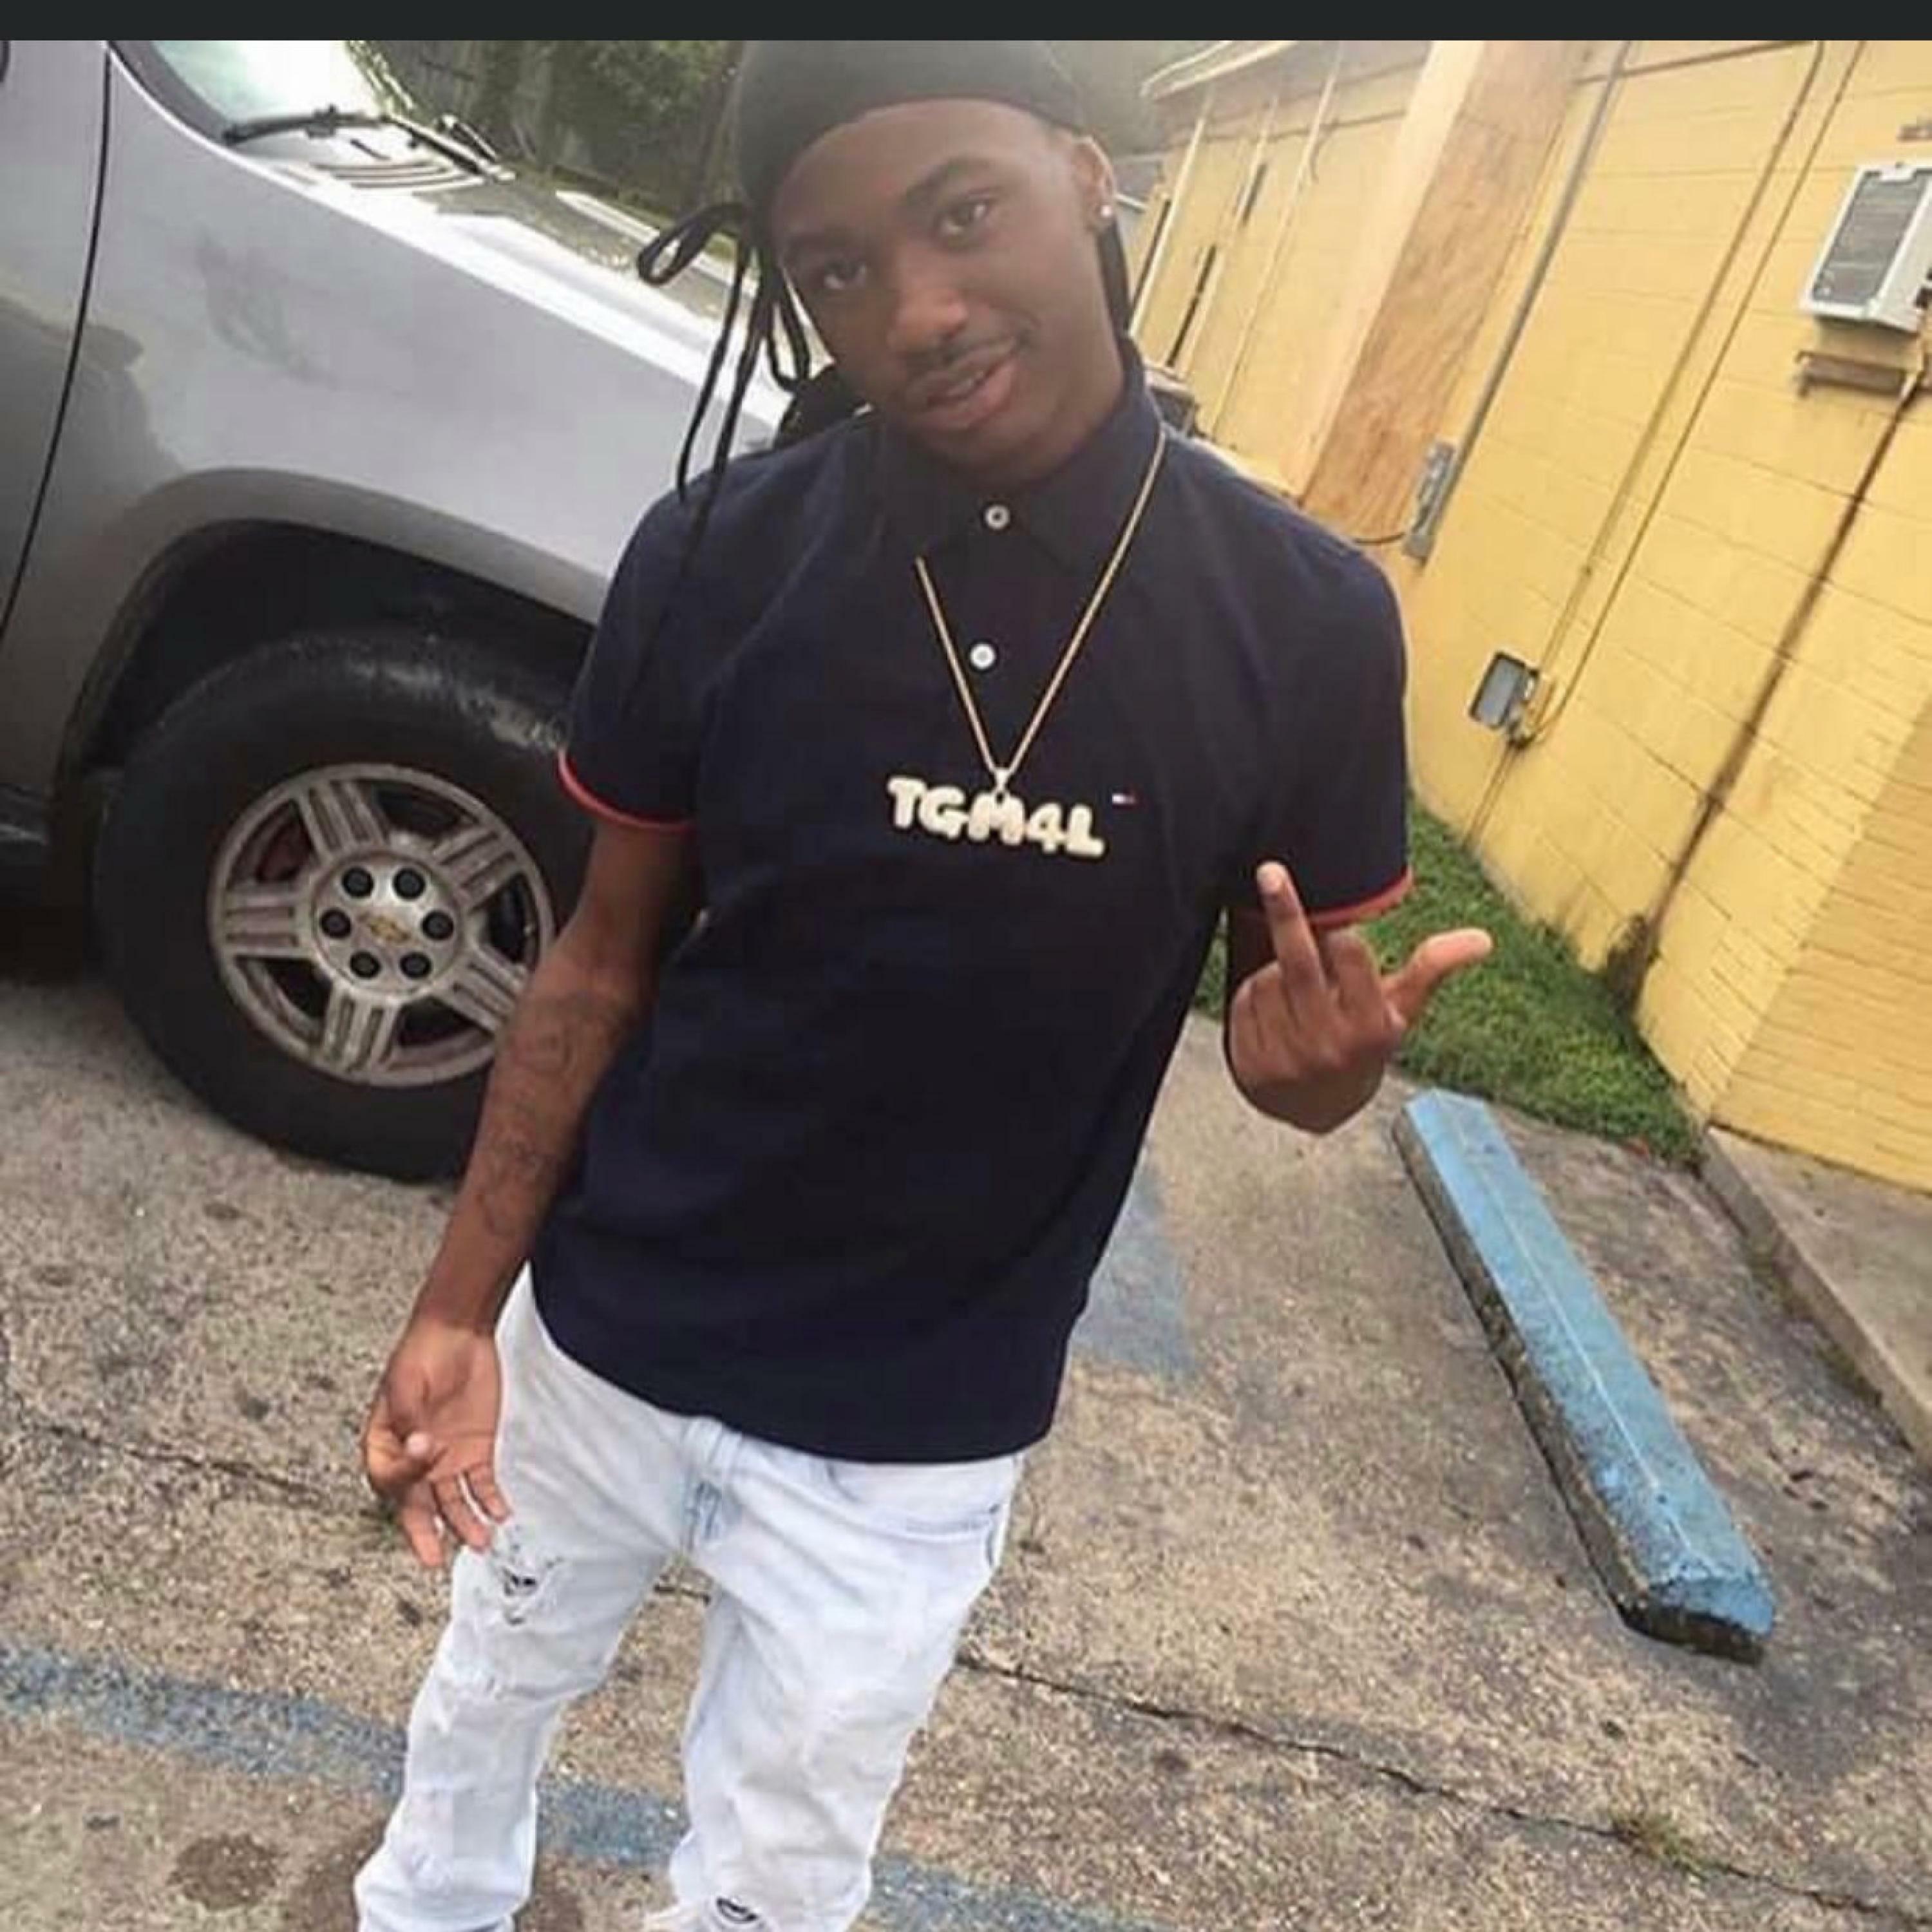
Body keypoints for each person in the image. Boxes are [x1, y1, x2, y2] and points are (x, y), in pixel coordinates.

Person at [354, 40, 1491, 1932]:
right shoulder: (719, 555)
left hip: (913, 1425)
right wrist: (460, 1308)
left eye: (965, 216)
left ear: (1087, 176)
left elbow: (1299, 1040)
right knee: (484, 1703)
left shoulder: (1301, 618)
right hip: (611, 1338)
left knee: (780, 1873)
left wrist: (1318, 1074)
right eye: (841, 269)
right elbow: (598, 962)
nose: (920, 309)